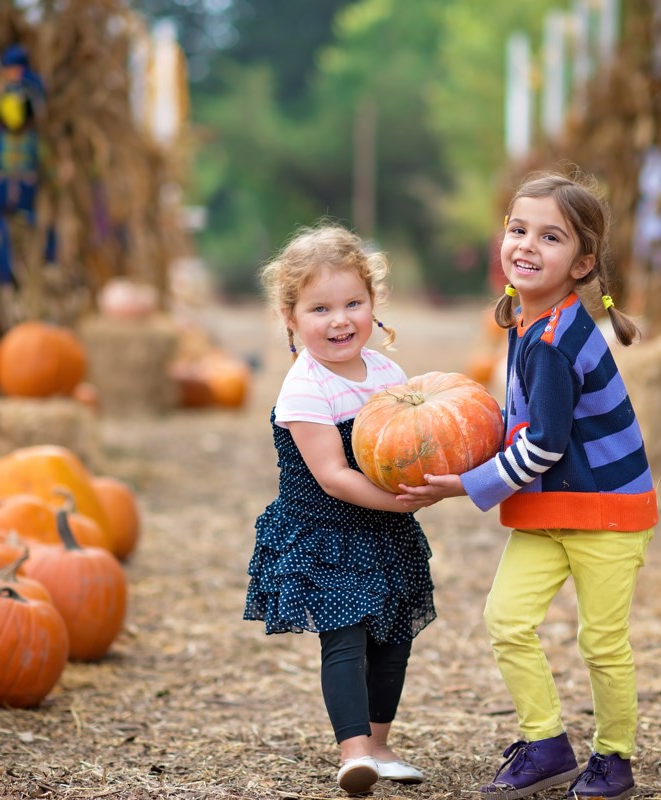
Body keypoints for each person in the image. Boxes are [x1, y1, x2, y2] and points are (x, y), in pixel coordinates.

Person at [399, 171, 657, 800]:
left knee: (600, 641)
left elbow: (542, 443)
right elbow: (527, 424)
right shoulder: (528, 323)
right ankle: (545, 745)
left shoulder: (552, 341)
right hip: (553, 506)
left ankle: (614, 759)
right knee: (506, 618)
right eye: (518, 229)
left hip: (607, 510)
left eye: (550, 236)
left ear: (583, 262)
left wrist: (467, 483)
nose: (527, 245)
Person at [243, 223, 438, 796]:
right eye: (320, 308)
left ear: (374, 305)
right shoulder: (306, 388)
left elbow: (405, 445)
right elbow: (333, 476)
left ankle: (380, 744)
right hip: (327, 531)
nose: (340, 319)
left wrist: (427, 479)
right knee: (346, 638)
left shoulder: (387, 375)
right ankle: (353, 753)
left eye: (354, 302)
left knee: (394, 638)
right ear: (291, 318)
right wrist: (403, 500)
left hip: (385, 530)